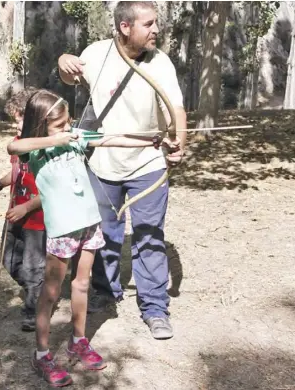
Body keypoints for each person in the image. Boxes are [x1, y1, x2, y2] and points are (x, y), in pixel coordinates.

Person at [7, 89, 178, 387]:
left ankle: (78, 340)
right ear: (41, 125)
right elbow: (13, 145)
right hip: (63, 229)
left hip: (89, 224)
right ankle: (43, 353)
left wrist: (150, 142)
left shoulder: (75, 138)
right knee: (49, 292)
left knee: (82, 284)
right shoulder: (35, 150)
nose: (67, 129)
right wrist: (56, 138)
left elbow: (110, 139)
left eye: (67, 124)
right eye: (59, 125)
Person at [57, 1, 187, 340]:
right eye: (148, 23)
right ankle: (103, 290)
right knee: (103, 234)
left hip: (148, 163)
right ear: (125, 27)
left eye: (156, 22)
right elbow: (69, 75)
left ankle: (155, 308)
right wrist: (62, 62)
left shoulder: (160, 62)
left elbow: (176, 108)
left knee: (148, 234)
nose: (156, 29)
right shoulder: (97, 53)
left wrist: (179, 142)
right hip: (102, 163)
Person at [0, 87, 45, 332]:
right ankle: (37, 286)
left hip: (37, 221)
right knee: (8, 260)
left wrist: (27, 207)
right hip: (15, 215)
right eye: (15, 122)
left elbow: (50, 190)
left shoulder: (48, 148)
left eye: (21, 122)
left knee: (33, 266)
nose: (16, 128)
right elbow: (18, 172)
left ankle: (33, 310)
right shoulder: (19, 144)